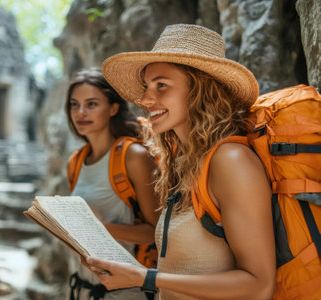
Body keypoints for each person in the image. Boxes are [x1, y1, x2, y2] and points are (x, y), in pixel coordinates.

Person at [84, 24, 276, 299]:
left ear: (201, 88)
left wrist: (146, 277)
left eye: (161, 85)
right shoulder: (183, 163)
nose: (146, 99)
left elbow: (259, 285)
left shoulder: (231, 161)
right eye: (146, 86)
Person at [64, 68, 160, 300]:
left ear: (113, 108)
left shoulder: (134, 156)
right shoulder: (76, 162)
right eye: (74, 105)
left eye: (92, 104)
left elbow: (156, 233)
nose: (81, 112)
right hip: (83, 287)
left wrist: (95, 229)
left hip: (128, 291)